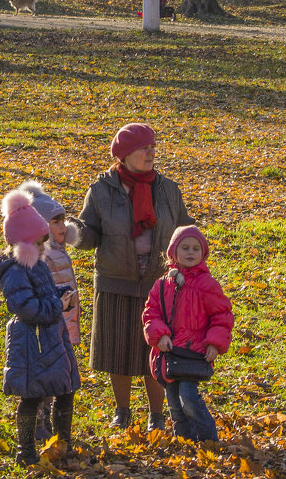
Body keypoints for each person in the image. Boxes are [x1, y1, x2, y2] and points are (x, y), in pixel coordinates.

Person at [75, 122, 194, 431]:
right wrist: (72, 233)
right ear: (125, 155)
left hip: (159, 284)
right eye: (144, 148)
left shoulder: (167, 189)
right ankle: (123, 411)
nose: (151, 152)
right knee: (119, 350)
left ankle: (157, 415)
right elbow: (90, 235)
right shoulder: (101, 190)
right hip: (116, 281)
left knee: (155, 350)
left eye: (153, 146)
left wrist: (191, 254)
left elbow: (183, 227)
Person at [0, 189, 80, 466]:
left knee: (65, 389)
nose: (42, 248)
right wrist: (57, 306)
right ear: (22, 244)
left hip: (50, 337)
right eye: (38, 243)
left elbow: (42, 293)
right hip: (32, 340)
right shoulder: (14, 272)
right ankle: (26, 449)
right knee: (31, 395)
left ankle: (62, 443)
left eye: (43, 242)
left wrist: (60, 293)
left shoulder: (35, 264)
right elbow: (25, 306)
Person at [142, 225, 234, 442]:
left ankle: (208, 439)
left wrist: (214, 343)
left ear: (203, 254)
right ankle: (185, 441)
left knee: (189, 397)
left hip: (194, 354)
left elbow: (222, 316)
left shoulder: (207, 284)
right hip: (169, 353)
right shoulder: (163, 284)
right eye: (185, 248)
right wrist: (160, 335)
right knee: (174, 402)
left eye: (195, 249)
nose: (190, 253)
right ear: (173, 252)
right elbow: (150, 314)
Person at [19, 181, 81, 441]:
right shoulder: (43, 255)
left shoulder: (60, 251)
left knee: (59, 377)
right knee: (45, 378)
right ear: (42, 227)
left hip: (63, 323)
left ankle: (57, 428)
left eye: (64, 221)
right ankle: (40, 426)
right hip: (49, 326)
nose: (63, 227)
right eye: (56, 222)